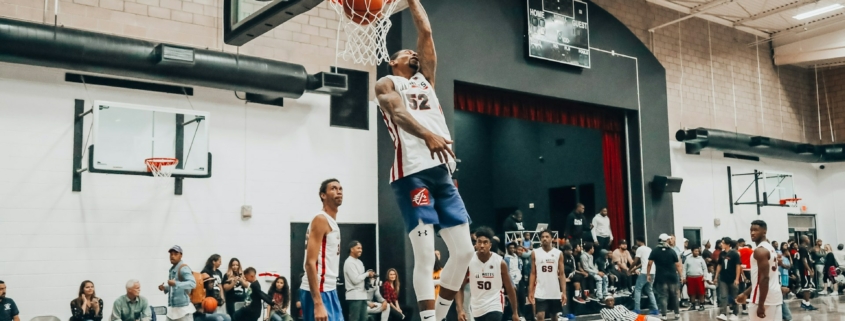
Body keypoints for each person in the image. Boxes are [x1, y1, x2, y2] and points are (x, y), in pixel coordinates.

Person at [375, 0, 476, 319]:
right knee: (424, 255)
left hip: (442, 175)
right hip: (412, 174)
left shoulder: (425, 80)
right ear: (394, 61)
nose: (414, 54)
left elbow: (426, 30)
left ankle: (442, 313)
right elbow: (398, 112)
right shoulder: (388, 83)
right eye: (407, 52)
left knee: (464, 251)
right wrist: (427, 135)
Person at [300, 179, 344, 321]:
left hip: (330, 288)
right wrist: (318, 303)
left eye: (340, 188)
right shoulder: (321, 219)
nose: (339, 191)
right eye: (333, 188)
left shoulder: (332, 222)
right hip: (319, 291)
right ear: (323, 195)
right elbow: (309, 263)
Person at [455, 227, 520, 321]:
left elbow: (510, 288)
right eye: (479, 242)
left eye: (485, 242)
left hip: (495, 304)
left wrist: (515, 312)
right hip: (477, 307)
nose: (482, 245)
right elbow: (460, 287)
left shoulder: (500, 262)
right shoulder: (469, 261)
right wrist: (460, 310)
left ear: (490, 245)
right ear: (475, 244)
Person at [735, 220, 782, 321]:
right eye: (751, 230)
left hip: (762, 299)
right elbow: (760, 279)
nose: (752, 233)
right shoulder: (770, 248)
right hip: (775, 298)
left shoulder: (760, 250)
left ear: (764, 231)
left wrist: (761, 305)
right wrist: (746, 293)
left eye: (756, 230)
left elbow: (765, 278)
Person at [528, 230, 567, 321]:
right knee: (540, 315)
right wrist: (531, 291)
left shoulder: (558, 253)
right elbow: (533, 273)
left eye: (547, 236)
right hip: (540, 289)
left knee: (554, 316)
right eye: (542, 237)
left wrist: (564, 292)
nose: (544, 239)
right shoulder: (535, 252)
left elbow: (561, 274)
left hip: (554, 290)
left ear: (552, 238)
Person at [648, 234, 682, 320]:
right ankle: (677, 314)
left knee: (663, 296)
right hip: (672, 277)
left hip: (661, 278)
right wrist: (681, 275)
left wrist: (648, 274)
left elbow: (649, 263)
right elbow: (677, 265)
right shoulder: (672, 251)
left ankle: (664, 315)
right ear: (666, 240)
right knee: (674, 295)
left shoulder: (655, 250)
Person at [159, 245, 197, 321]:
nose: (172, 256)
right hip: (173, 310)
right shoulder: (172, 270)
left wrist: (176, 283)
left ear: (181, 255)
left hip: (183, 310)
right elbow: (176, 288)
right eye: (171, 254)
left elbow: (192, 284)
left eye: (175, 254)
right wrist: (165, 288)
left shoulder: (183, 268)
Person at [345, 240, 376, 321]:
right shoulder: (349, 262)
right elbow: (355, 280)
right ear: (352, 249)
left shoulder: (359, 262)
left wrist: (369, 277)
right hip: (354, 296)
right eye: (358, 248)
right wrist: (366, 274)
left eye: (361, 248)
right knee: (355, 319)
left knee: (364, 319)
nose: (360, 250)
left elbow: (361, 278)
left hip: (362, 296)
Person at [715, 238, 741, 321]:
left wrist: (737, 279)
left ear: (728, 244)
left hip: (732, 278)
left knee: (734, 296)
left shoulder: (735, 254)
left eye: (723, 243)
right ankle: (723, 313)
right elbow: (719, 265)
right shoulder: (721, 254)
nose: (721, 244)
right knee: (723, 296)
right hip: (723, 278)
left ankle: (735, 313)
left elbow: (738, 266)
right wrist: (716, 276)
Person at [632, 238, 659, 315]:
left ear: (639, 241)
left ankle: (637, 309)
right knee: (649, 290)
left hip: (644, 271)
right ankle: (655, 309)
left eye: (637, 241)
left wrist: (630, 269)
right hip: (653, 271)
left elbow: (635, 261)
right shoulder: (649, 249)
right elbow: (645, 262)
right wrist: (635, 268)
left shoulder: (639, 249)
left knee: (637, 289)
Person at [793, 235, 817, 310]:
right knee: (806, 287)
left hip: (807, 269)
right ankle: (807, 303)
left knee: (808, 286)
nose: (809, 239)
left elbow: (808, 260)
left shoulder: (804, 248)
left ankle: (805, 302)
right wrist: (809, 270)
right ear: (804, 240)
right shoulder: (802, 248)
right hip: (805, 270)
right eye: (807, 238)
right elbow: (803, 260)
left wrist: (811, 268)